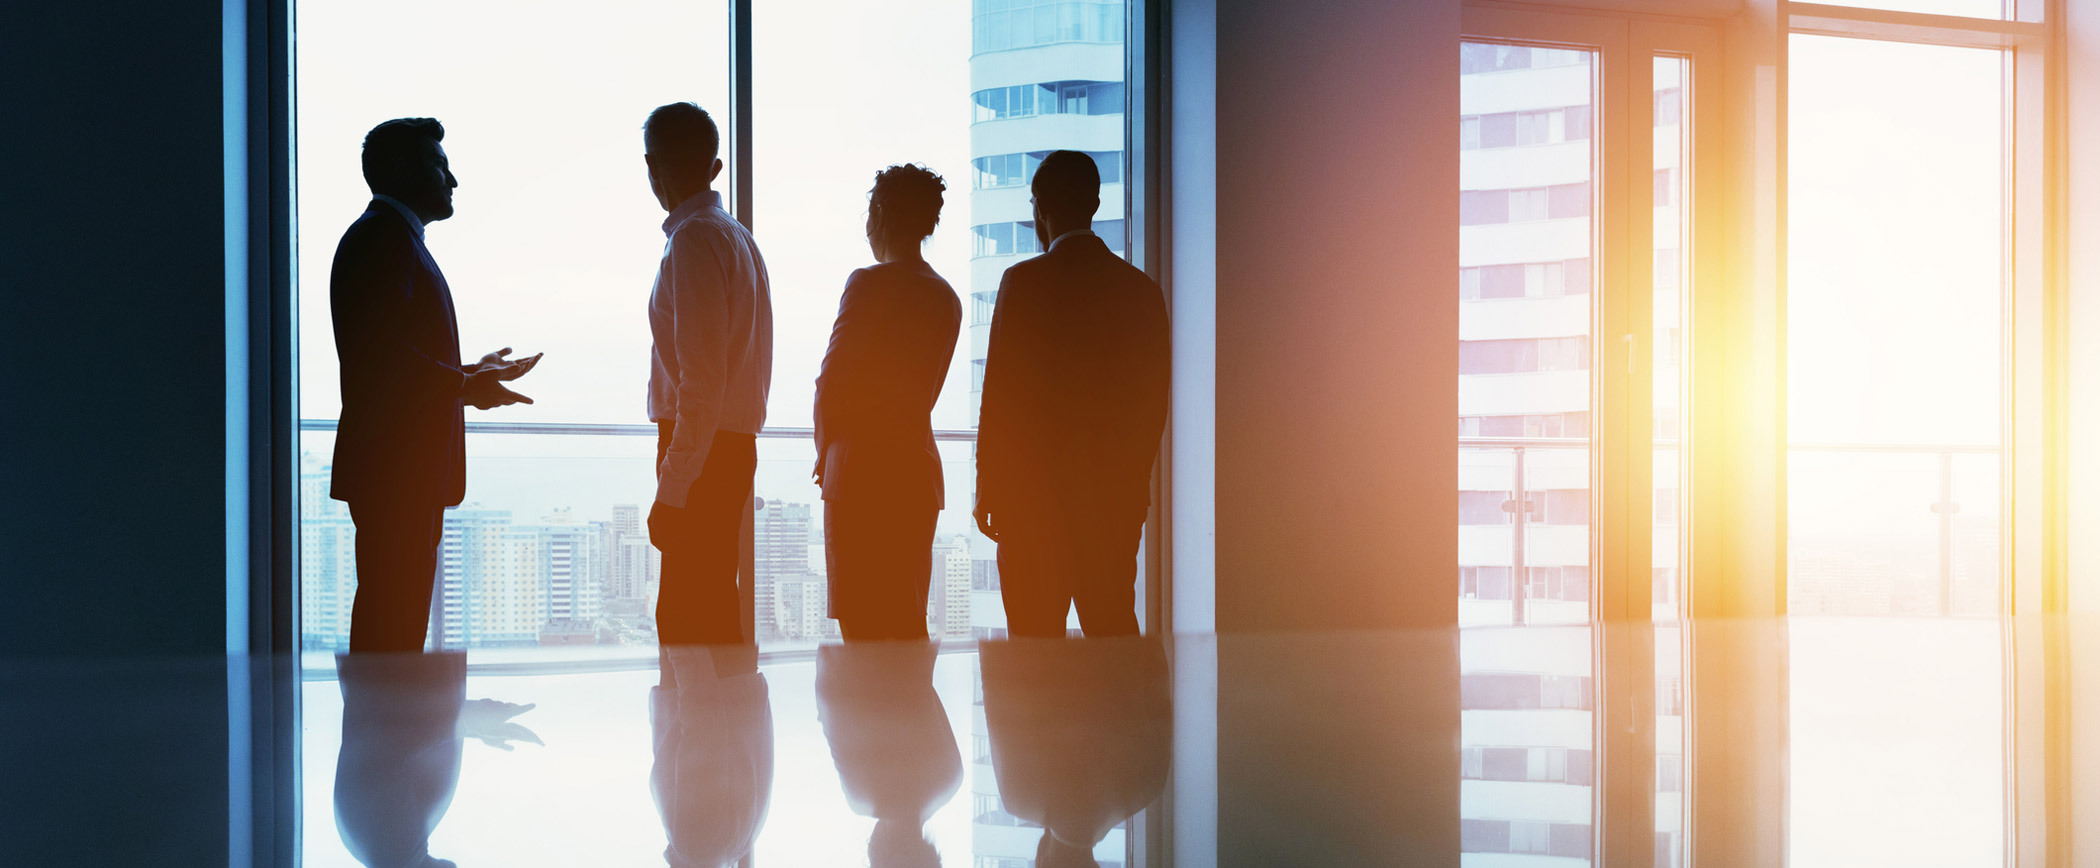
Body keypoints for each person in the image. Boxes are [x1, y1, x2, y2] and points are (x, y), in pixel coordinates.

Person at [330, 117, 541, 653]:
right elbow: (384, 362)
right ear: (403, 169)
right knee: (391, 624)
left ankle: (385, 710)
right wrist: (466, 386)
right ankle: (382, 711)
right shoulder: (381, 240)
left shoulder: (391, 239)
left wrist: (470, 372)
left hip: (400, 471)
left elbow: (395, 355)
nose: (453, 180)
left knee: (395, 619)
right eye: (439, 165)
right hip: (395, 471)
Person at [974, 151, 1170, 638]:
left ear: (1039, 208)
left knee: (1034, 644)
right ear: (1095, 204)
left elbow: (1001, 397)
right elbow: (1152, 406)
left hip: (1030, 504)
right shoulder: (1141, 290)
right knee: (1112, 634)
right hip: (1110, 503)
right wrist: (1130, 488)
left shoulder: (1023, 282)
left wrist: (989, 487)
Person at [642, 102, 774, 655]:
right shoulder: (736, 236)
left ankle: (701, 719)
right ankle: (727, 716)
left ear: (651, 167)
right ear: (715, 167)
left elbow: (700, 382)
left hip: (701, 453)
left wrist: (672, 489)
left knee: (686, 624)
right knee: (715, 610)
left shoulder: (694, 240)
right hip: (730, 449)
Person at [813, 164, 963, 641]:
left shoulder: (867, 283)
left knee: (862, 631)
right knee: (906, 621)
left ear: (878, 214)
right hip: (915, 474)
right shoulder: (946, 297)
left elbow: (830, 382)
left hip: (859, 474)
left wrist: (823, 453)